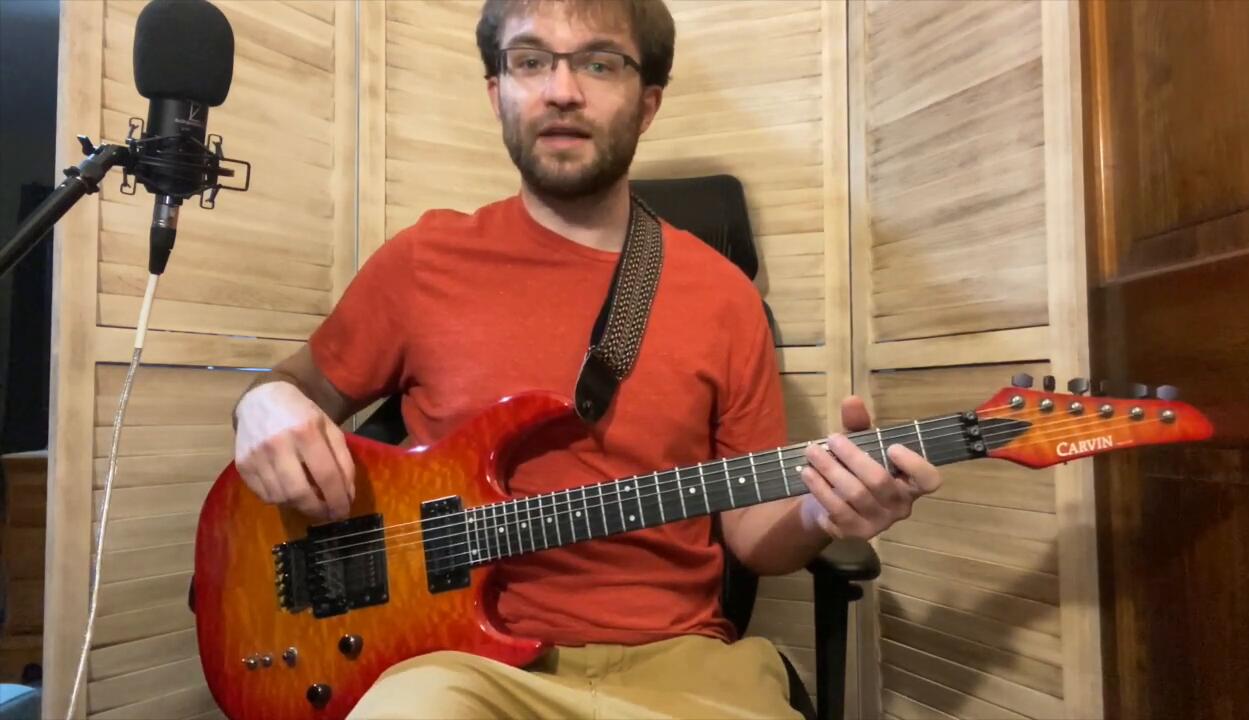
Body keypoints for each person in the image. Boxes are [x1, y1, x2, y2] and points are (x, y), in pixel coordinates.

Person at [230, 0, 942, 717]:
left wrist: (823, 510)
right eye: (530, 60)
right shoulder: (421, 262)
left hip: (685, 666)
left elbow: (754, 537)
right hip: (460, 668)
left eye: (600, 63)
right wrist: (265, 401)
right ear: (497, 92)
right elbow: (297, 387)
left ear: (647, 104)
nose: (562, 90)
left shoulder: (725, 299)